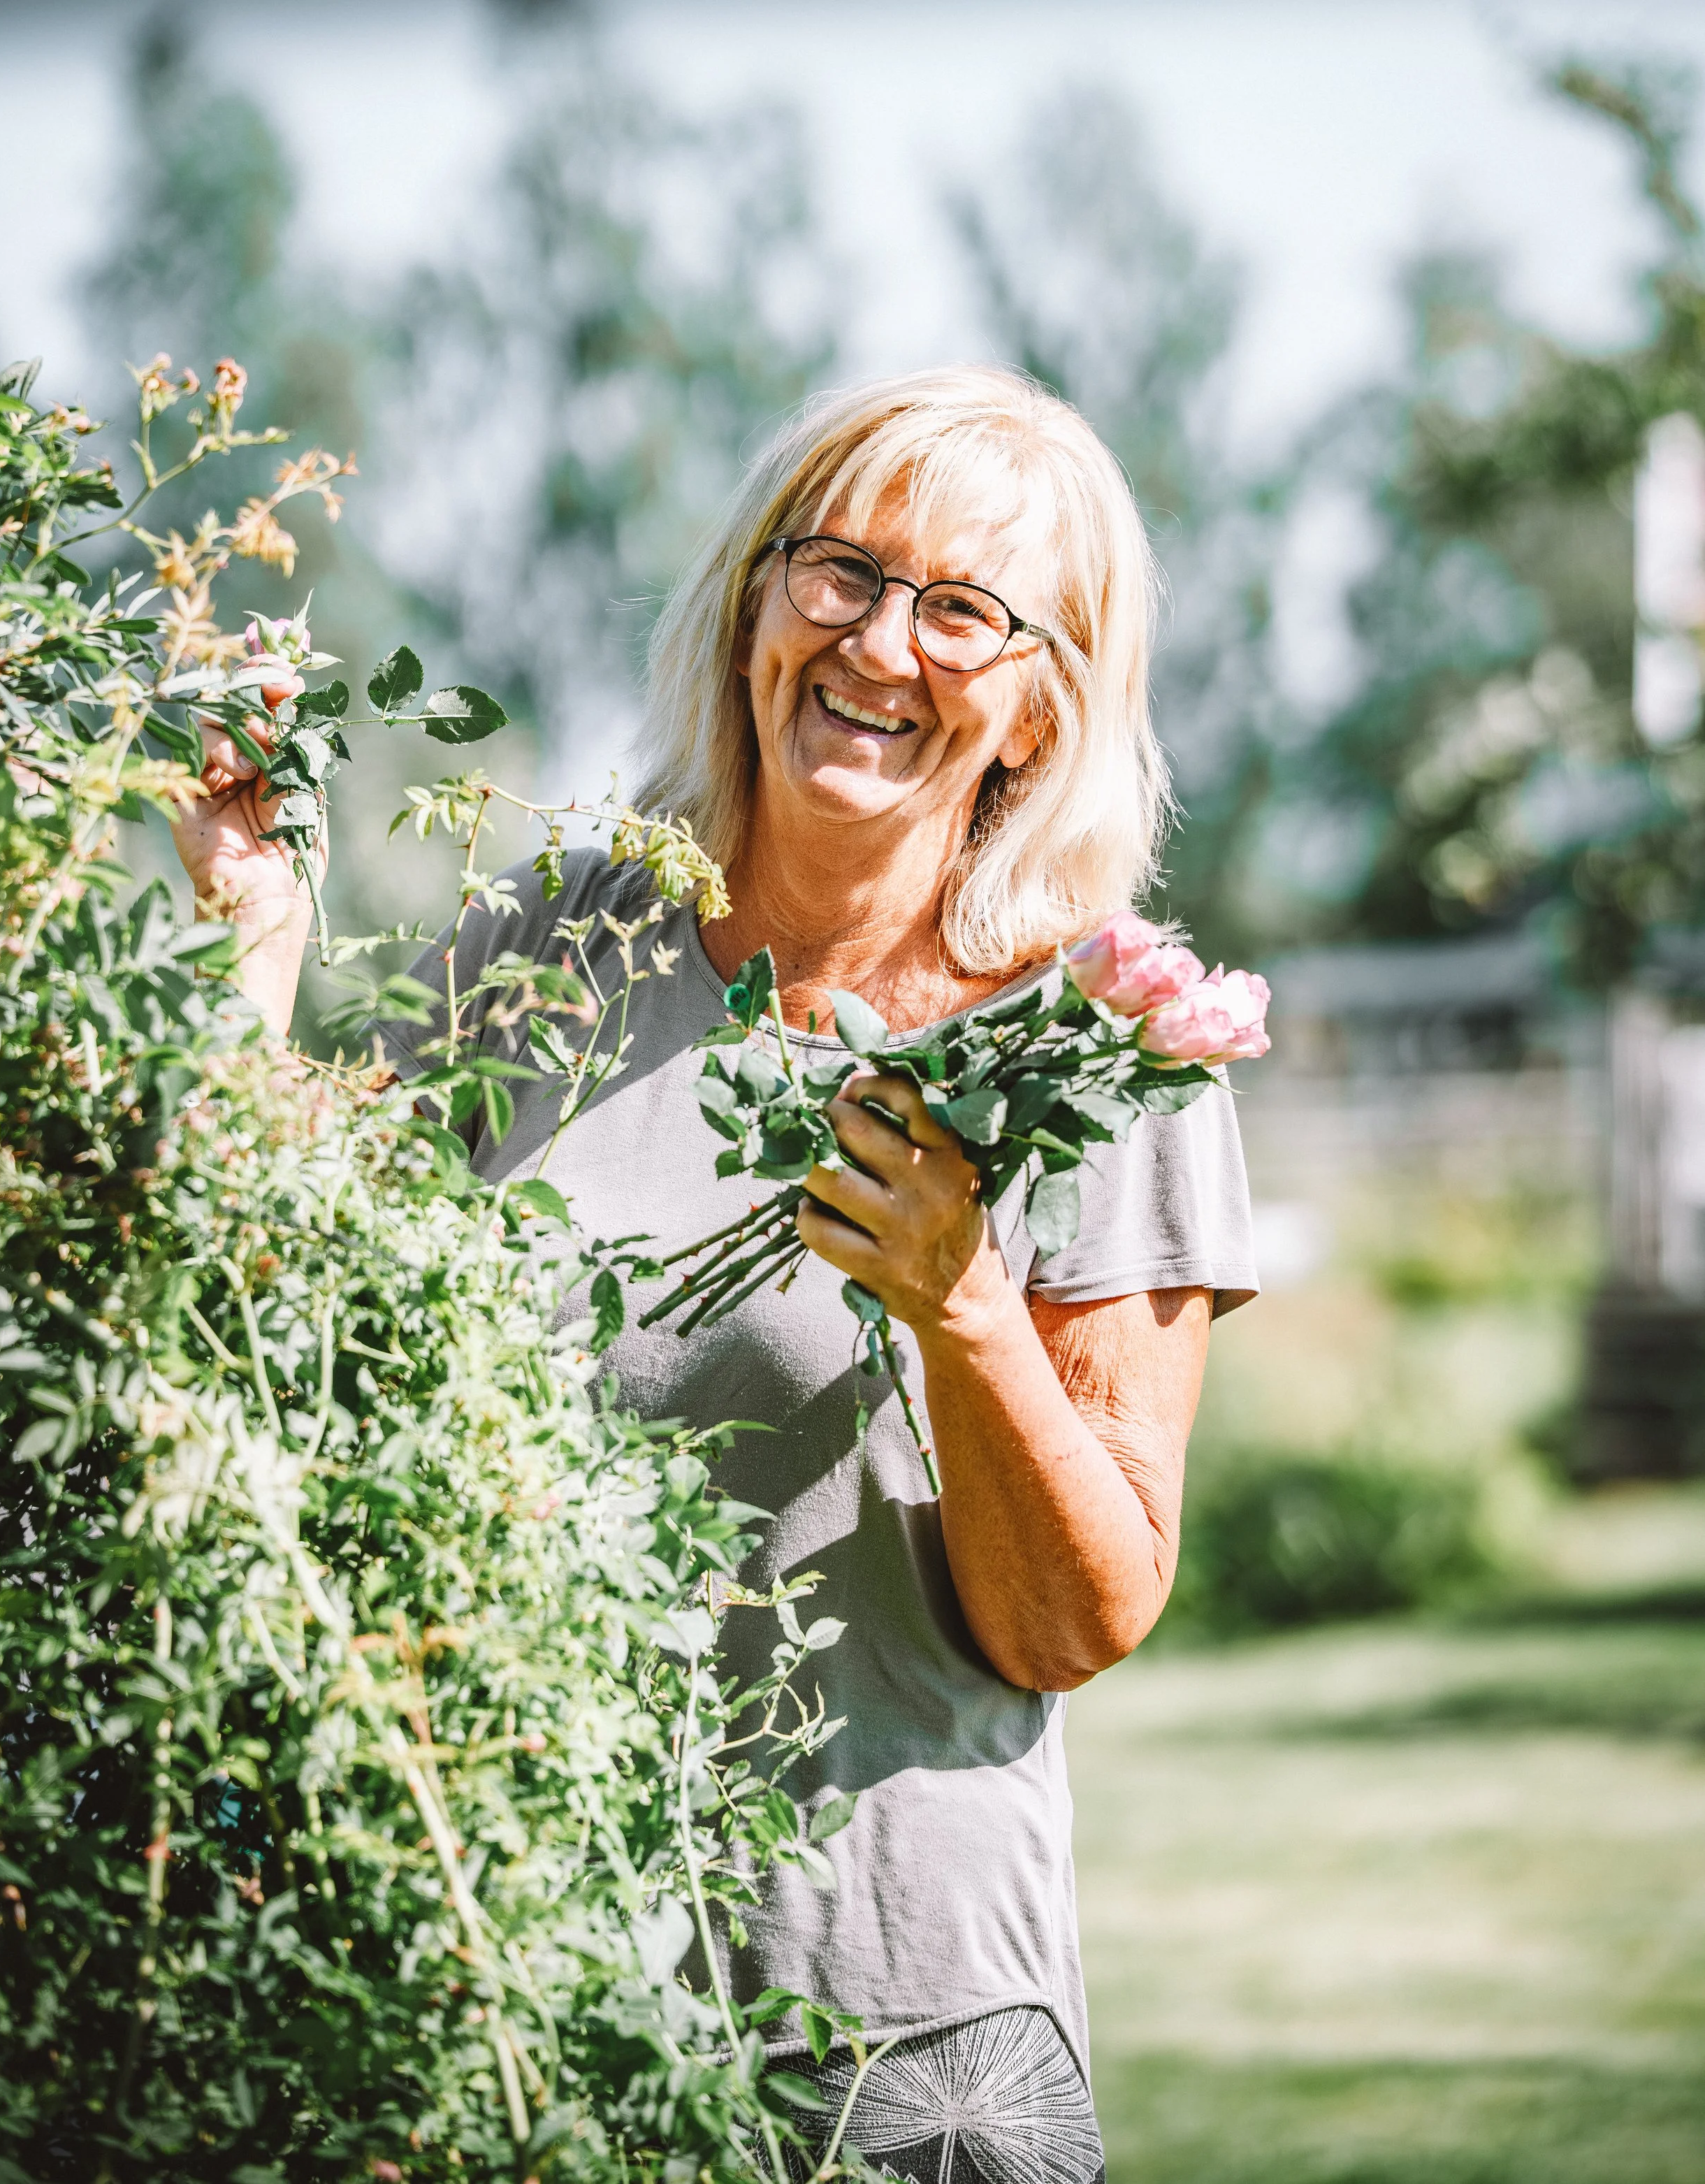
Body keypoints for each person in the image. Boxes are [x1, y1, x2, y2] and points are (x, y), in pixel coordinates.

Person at [176, 365, 1257, 2184]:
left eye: (962, 609)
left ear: (1034, 712)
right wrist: (254, 938)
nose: (879, 642)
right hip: (527, 2003)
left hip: (901, 2040)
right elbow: (287, 1304)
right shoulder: (553, 946)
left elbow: (1079, 1618)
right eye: (836, 569)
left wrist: (962, 1303)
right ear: (754, 602)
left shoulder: (1094, 1041)